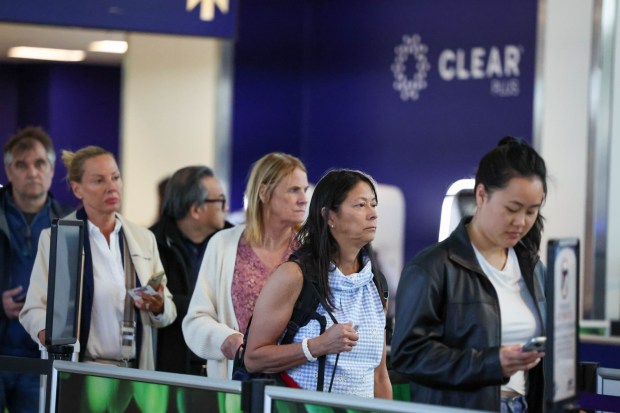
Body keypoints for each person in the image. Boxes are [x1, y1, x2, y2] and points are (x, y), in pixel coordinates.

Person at [391, 136, 547, 412]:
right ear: (481, 195)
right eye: (512, 209)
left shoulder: (533, 267)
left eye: (531, 212)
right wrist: (491, 363)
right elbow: (409, 355)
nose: (521, 222)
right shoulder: (432, 267)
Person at [20, 146, 176, 370]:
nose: (111, 187)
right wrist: (52, 339)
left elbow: (168, 311)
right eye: (99, 180)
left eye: (115, 177)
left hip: (136, 372)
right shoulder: (57, 238)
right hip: (80, 371)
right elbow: (33, 309)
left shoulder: (143, 238)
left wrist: (159, 307)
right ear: (77, 189)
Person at [243, 169, 392, 398]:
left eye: (373, 204)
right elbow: (253, 359)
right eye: (361, 205)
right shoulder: (294, 276)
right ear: (329, 216)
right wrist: (318, 345)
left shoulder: (375, 283)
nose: (373, 214)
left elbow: (379, 375)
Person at [183, 152, 309, 379]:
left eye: (305, 190)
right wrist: (225, 339)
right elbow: (196, 319)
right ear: (264, 192)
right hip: (236, 380)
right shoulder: (223, 244)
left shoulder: (311, 252)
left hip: (297, 382)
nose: (303, 199)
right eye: (293, 190)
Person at [0, 126, 72, 413]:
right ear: (9, 172)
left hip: (42, 356)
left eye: (40, 163)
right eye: (22, 164)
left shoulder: (70, 223)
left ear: (52, 169)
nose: (32, 172)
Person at [150, 165, 232, 375]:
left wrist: (177, 303)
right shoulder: (150, 243)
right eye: (220, 200)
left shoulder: (236, 242)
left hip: (224, 366)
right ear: (196, 210)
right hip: (170, 370)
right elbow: (154, 300)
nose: (227, 207)